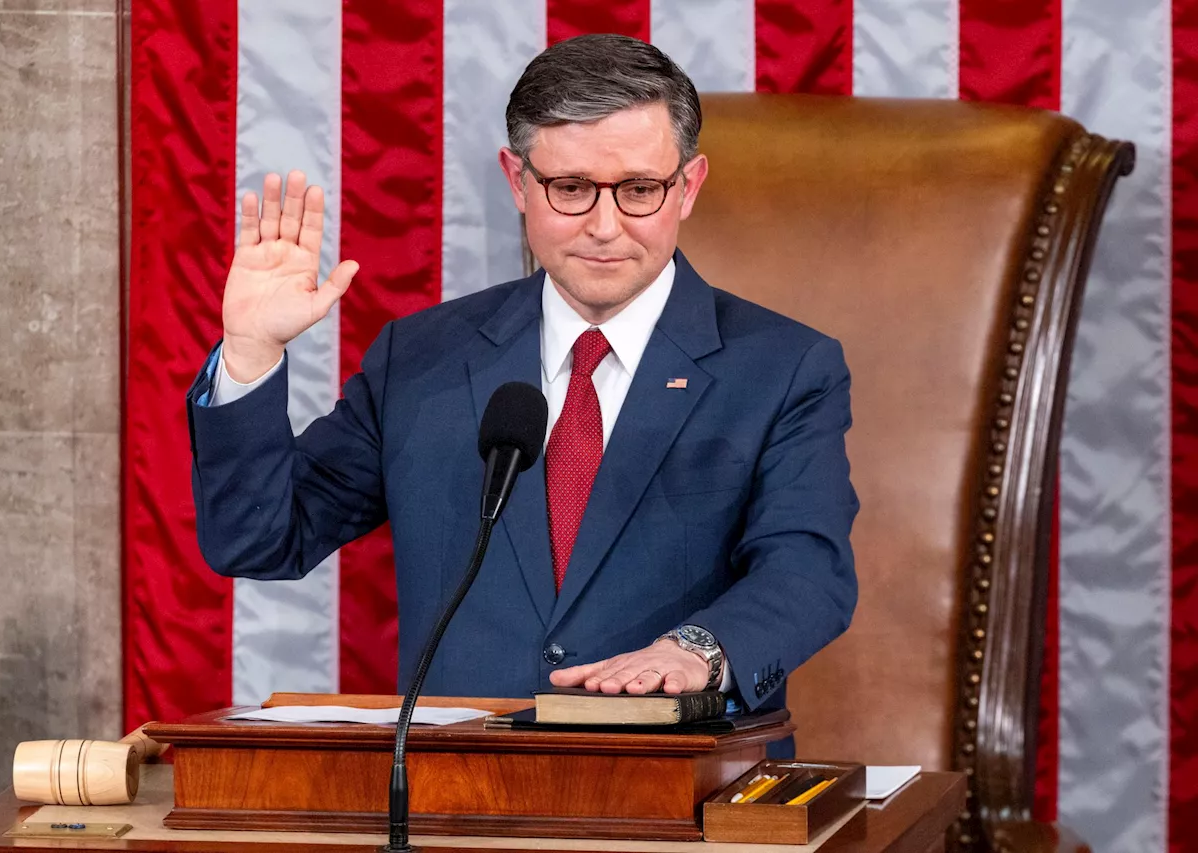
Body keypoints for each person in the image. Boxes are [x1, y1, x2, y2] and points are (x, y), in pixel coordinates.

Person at [187, 34, 858, 727]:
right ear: (517, 181)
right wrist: (250, 352)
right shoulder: (420, 360)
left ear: (687, 186)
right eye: (570, 189)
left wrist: (698, 652)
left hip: (677, 791)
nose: (604, 226)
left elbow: (808, 571)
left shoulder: (783, 367)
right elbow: (258, 540)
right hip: (456, 800)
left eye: (638, 190)